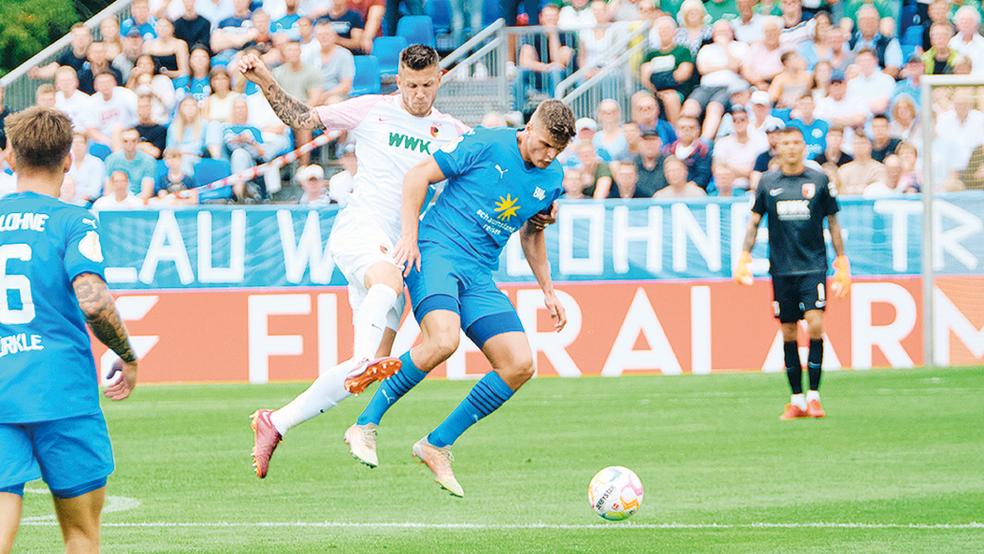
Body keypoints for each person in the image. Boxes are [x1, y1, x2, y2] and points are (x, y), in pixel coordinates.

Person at [239, 45, 476, 478]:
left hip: (400, 247)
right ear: (398, 80)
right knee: (386, 289)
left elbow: (492, 168)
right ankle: (366, 359)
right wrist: (266, 80)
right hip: (361, 231)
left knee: (361, 373)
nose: (418, 94)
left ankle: (276, 422)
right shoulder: (371, 109)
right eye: (410, 85)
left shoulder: (454, 132)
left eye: (426, 86)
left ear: (439, 80)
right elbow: (303, 118)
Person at [345, 101, 574, 497]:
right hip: (435, 252)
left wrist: (548, 290)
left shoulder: (552, 178)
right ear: (530, 126)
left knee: (519, 363)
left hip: (478, 274)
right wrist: (410, 235)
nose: (548, 155)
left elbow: (532, 233)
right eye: (544, 144)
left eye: (557, 149)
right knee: (442, 340)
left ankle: (436, 444)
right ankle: (365, 423)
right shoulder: (487, 143)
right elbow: (419, 175)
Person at [0, 107, 138, 554]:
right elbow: (93, 300)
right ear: (67, 161)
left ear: (10, 157)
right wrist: (128, 356)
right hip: (62, 392)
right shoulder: (73, 220)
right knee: (81, 535)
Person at [734, 125, 850, 420]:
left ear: (803, 147)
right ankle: (796, 399)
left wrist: (842, 260)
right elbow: (754, 222)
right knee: (787, 331)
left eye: (796, 142)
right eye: (786, 143)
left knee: (814, 323)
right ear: (778, 148)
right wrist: (745, 254)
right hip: (782, 269)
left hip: (813, 266)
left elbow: (833, 222)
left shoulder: (819, 180)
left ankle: (814, 396)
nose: (791, 148)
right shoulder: (768, 182)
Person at [104, 128, 158, 199]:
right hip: (116, 202)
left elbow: (146, 193)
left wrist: (131, 202)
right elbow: (108, 190)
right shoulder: (111, 159)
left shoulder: (149, 161)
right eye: (125, 141)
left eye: (133, 140)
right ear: (121, 142)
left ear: (138, 141)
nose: (129, 144)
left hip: (139, 203)